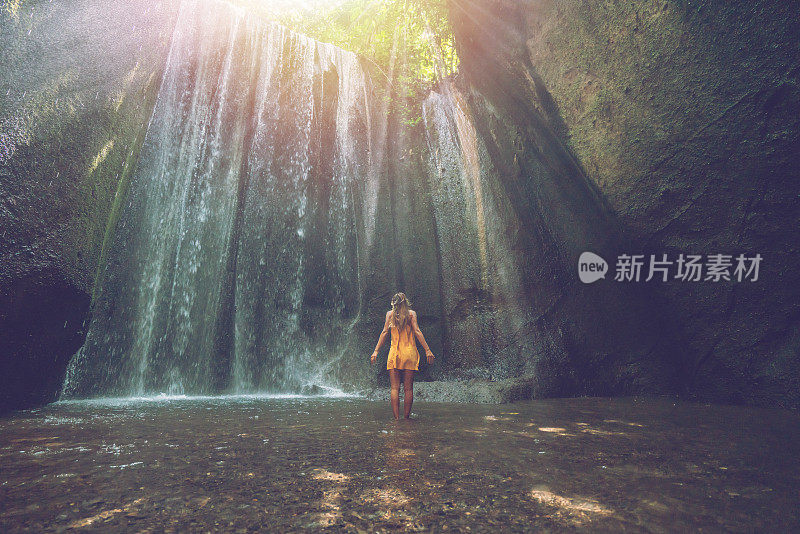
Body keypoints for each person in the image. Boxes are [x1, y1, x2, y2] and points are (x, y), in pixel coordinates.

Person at [371, 292, 435, 419]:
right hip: (409, 353)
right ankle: (406, 418)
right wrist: (427, 350)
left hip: (394, 353)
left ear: (393, 303)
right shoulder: (411, 314)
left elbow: (384, 332)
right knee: (408, 389)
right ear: (405, 302)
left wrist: (376, 351)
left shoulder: (390, 315)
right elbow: (417, 331)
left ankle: (396, 419)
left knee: (394, 388)